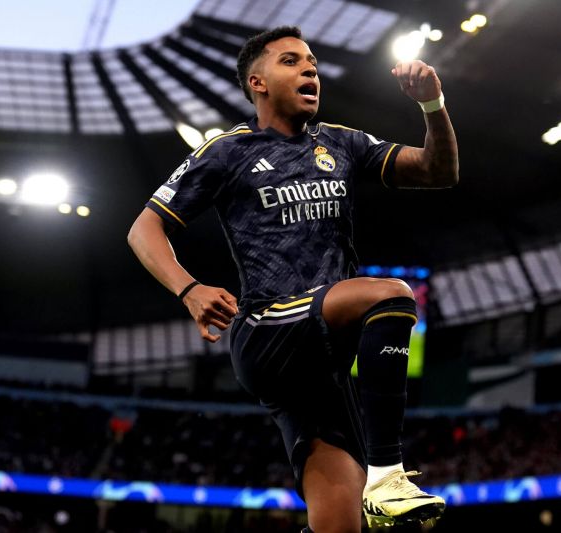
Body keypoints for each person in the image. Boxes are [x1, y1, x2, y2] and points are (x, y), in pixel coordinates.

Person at [128, 26, 458, 532]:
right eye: (291, 61)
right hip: (269, 330)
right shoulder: (228, 151)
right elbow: (144, 229)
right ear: (257, 82)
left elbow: (439, 171)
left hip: (324, 368)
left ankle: (373, 485)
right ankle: (388, 474)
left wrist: (432, 105)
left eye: (312, 63)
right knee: (391, 295)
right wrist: (189, 289)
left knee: (338, 526)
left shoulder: (342, 143)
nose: (309, 70)